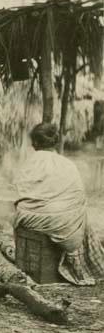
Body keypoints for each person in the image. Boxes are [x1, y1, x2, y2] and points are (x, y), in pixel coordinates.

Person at [13, 122, 104, 286]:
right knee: (79, 210)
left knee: (21, 209)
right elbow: (79, 196)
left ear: (35, 143)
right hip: (65, 223)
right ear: (55, 141)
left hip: (31, 219)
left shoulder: (28, 163)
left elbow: (20, 193)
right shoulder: (68, 164)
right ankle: (76, 259)